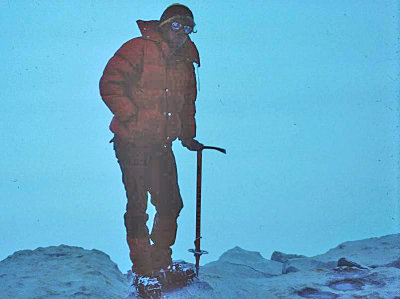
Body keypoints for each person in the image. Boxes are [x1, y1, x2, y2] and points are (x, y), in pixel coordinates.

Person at [99, 3, 202, 294]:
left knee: (171, 203)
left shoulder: (185, 61)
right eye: (177, 25)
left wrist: (187, 136)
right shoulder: (137, 48)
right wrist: (132, 116)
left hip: (161, 144)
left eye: (188, 27)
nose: (182, 32)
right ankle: (144, 271)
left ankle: (160, 262)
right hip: (132, 143)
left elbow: (187, 104)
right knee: (137, 205)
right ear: (164, 24)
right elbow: (109, 83)